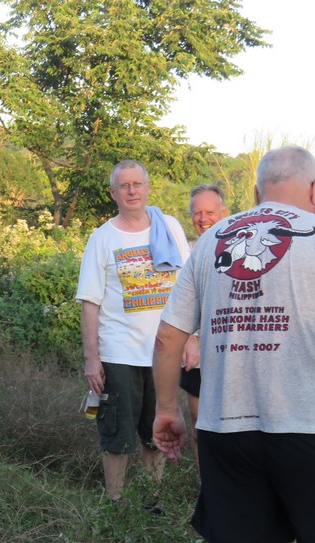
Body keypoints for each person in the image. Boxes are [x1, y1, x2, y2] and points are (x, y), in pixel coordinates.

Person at [153, 146, 315, 543]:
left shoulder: (210, 242)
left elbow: (167, 338)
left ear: (256, 191)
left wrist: (167, 409)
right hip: (314, 422)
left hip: (225, 427)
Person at [75, 159, 190, 505]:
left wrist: (193, 339)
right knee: (117, 437)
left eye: (137, 184)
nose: (131, 191)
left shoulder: (169, 227)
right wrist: (92, 359)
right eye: (124, 186)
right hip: (119, 354)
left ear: (147, 187)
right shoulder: (102, 238)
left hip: (164, 353)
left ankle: (153, 502)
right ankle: (116, 505)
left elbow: (189, 288)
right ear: (113, 193)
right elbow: (90, 302)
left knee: (157, 433)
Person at [179, 185, 229, 457]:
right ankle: (205, 481)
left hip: (231, 351)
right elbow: (181, 305)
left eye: (210, 212)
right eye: (197, 213)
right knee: (199, 427)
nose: (203, 219)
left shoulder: (240, 249)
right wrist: (191, 337)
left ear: (224, 213)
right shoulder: (185, 252)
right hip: (197, 352)